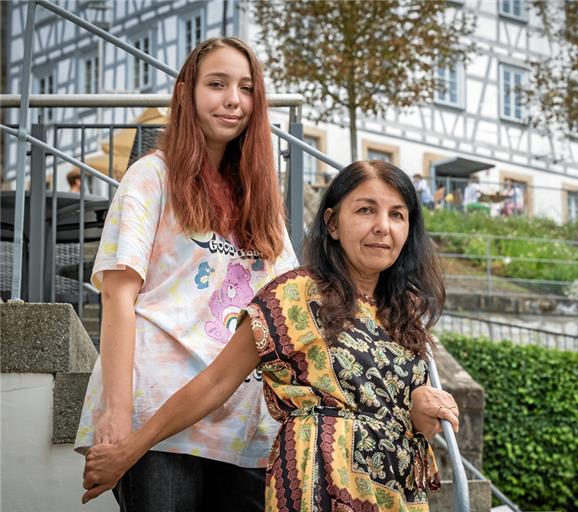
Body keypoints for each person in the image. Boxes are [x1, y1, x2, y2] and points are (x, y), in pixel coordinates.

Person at [81, 161, 460, 511]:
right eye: (365, 210)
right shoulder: (294, 295)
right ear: (331, 223)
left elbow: (402, 415)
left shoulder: (406, 312)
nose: (383, 226)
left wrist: (423, 412)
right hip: (321, 491)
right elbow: (216, 383)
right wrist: (134, 446)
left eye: (398, 215)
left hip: (394, 494)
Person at [73, 37, 300, 512]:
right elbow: (118, 296)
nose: (233, 99)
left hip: (243, 423)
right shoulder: (150, 176)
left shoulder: (263, 203)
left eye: (246, 87)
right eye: (216, 84)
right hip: (153, 409)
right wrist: (115, 415)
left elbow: (289, 306)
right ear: (186, 92)